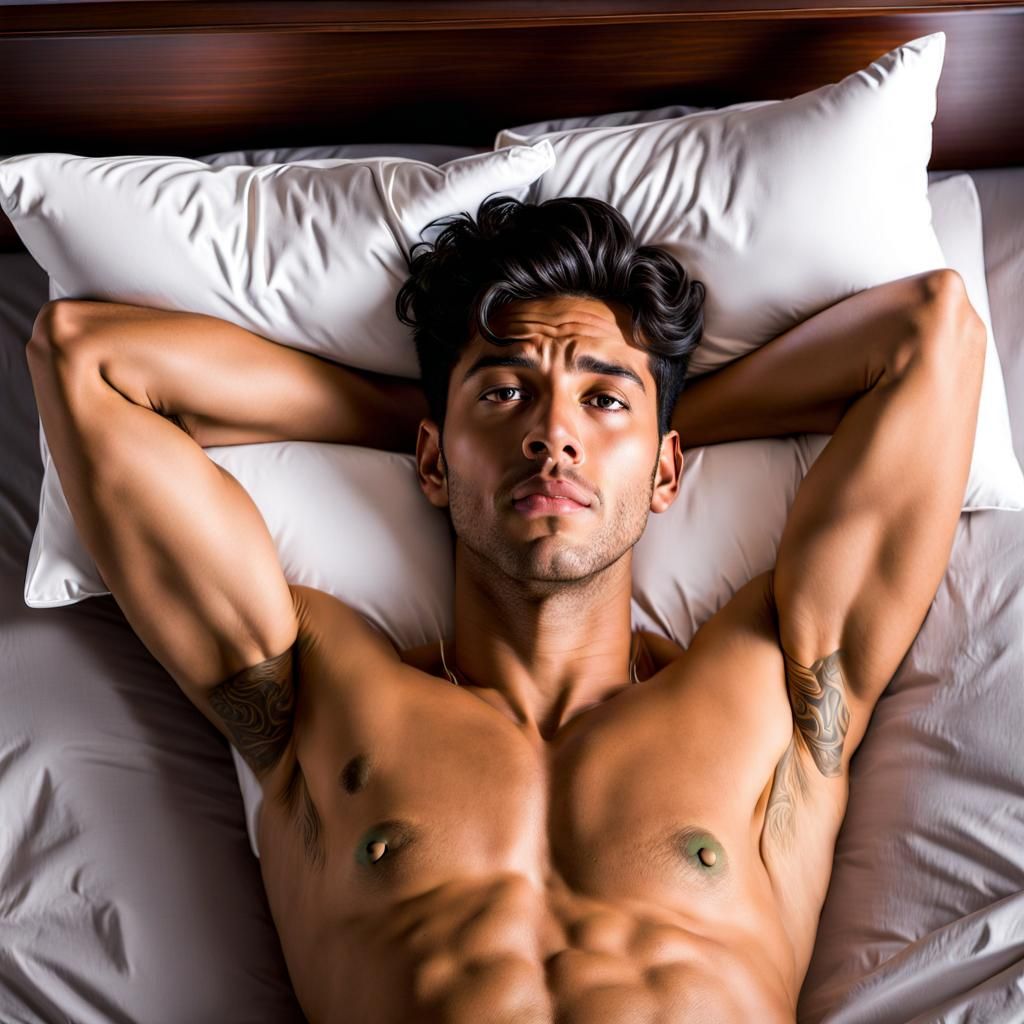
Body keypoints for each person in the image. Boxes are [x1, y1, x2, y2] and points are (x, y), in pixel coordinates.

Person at [26, 194, 985, 1023]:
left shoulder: (774, 681)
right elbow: (84, 357)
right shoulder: (323, 690)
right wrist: (423, 421)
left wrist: (617, 417)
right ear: (433, 461)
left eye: (601, 401)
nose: (552, 434)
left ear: (668, 471)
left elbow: (932, 332)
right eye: (508, 393)